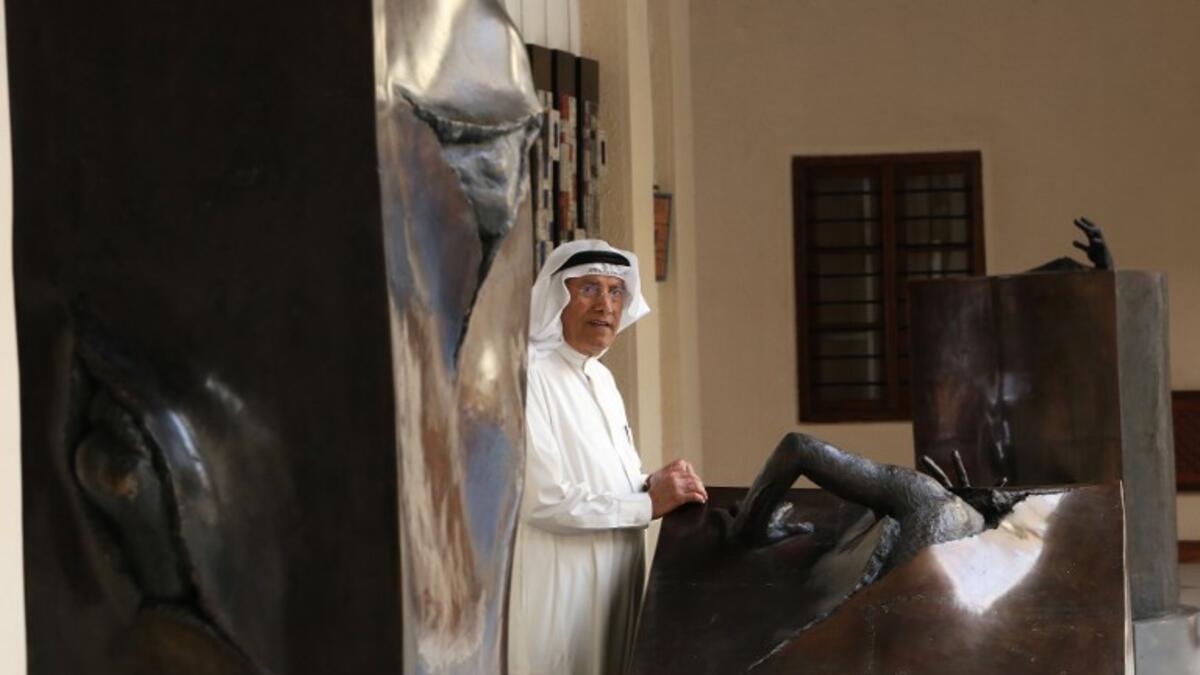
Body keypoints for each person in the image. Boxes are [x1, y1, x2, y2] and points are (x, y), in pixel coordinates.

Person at [508, 239, 708, 675]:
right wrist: (646, 503)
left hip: (614, 590)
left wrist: (651, 484)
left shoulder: (602, 379)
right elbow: (541, 498)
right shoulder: (530, 375)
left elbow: (602, 481)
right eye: (589, 289)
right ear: (557, 298)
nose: (606, 304)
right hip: (560, 593)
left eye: (616, 292)